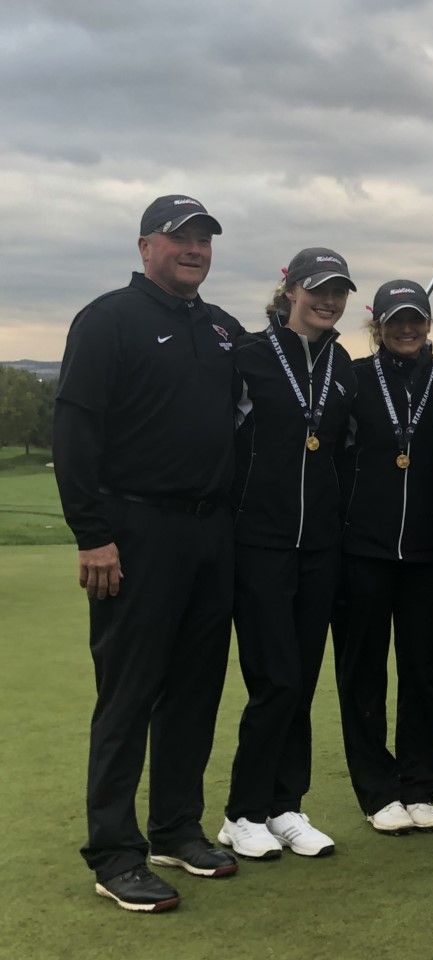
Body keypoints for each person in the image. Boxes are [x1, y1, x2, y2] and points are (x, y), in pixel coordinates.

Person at [53, 194, 243, 912]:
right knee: (129, 693)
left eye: (203, 240)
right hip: (134, 530)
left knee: (195, 688)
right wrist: (91, 533)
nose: (194, 249)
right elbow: (76, 432)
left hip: (209, 530)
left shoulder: (222, 329)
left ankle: (173, 827)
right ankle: (114, 851)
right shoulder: (106, 322)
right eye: (180, 238)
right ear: (145, 246)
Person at [217, 248, 358, 860]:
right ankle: (241, 813)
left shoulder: (344, 363)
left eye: (339, 292)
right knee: (273, 679)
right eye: (317, 289)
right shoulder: (248, 356)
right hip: (260, 542)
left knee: (300, 681)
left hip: (319, 545)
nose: (328, 301)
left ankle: (285, 806)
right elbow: (217, 446)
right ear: (291, 289)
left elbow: (347, 455)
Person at [332, 279, 433, 835]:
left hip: (430, 553)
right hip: (363, 550)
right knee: (363, 674)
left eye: (416, 319)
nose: (406, 329)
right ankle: (377, 789)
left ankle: (420, 786)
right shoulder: (352, 378)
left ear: (429, 324)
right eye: (396, 320)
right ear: (377, 325)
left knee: (427, 672)